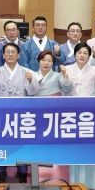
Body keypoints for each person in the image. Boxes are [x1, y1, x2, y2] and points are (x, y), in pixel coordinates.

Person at [0, 42, 40, 182]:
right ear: (3, 55)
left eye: (13, 52)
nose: (10, 55)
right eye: (7, 52)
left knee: (21, 142)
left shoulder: (26, 72)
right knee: (2, 142)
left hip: (21, 115)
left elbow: (33, 92)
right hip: (2, 114)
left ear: (18, 55)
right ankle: (1, 170)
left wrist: (30, 80)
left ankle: (22, 171)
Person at [64, 43, 95, 190]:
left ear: (89, 56)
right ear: (75, 54)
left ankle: (92, 181)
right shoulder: (67, 69)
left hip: (90, 114)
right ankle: (75, 180)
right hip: (72, 113)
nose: (82, 55)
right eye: (79, 52)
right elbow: (64, 88)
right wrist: (64, 78)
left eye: (85, 53)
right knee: (74, 147)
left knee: (90, 146)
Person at [34, 50, 71, 182]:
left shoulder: (57, 76)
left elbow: (67, 87)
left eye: (49, 61)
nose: (46, 63)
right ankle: (39, 176)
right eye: (43, 60)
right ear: (38, 61)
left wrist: (65, 75)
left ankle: (58, 176)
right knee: (38, 143)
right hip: (37, 113)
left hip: (54, 114)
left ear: (53, 63)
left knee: (55, 142)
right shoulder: (32, 75)